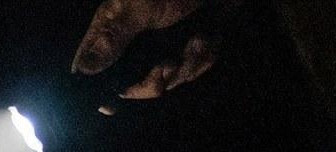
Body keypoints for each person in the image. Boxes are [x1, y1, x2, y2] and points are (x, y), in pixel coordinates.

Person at [73, 0, 225, 101]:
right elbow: (210, 40)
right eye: (96, 54)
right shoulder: (168, 18)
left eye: (91, 46)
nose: (102, 40)